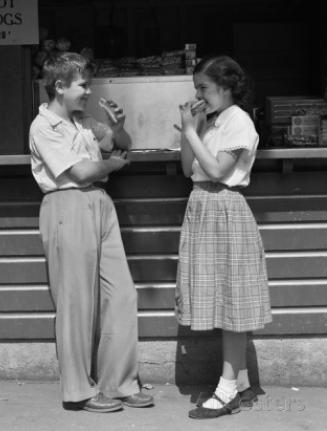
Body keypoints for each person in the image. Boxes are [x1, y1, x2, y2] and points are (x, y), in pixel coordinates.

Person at [29, 52, 153, 413]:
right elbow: (82, 172)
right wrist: (113, 165)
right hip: (67, 205)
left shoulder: (83, 122)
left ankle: (119, 382)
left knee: (122, 295)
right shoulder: (44, 126)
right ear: (60, 85)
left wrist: (118, 126)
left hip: (100, 204)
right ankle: (79, 390)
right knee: (76, 303)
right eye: (83, 84)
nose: (87, 91)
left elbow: (121, 143)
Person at [175, 55, 272, 419]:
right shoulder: (211, 121)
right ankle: (243, 382)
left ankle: (228, 389)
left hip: (225, 207)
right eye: (196, 87)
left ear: (226, 86)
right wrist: (193, 129)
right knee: (219, 299)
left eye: (204, 87)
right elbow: (189, 168)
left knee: (231, 301)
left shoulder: (238, 121)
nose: (198, 94)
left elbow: (217, 169)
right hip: (204, 207)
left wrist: (188, 131)